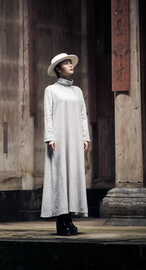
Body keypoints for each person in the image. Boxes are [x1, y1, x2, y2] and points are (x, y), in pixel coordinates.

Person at [41, 53, 90, 236]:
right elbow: (48, 115)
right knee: (60, 177)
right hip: (59, 140)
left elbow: (82, 115)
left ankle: (69, 217)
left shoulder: (77, 91)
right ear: (58, 69)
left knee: (73, 176)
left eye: (71, 63)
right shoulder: (51, 90)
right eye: (66, 63)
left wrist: (85, 137)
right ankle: (61, 220)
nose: (70, 65)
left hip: (75, 139)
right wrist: (50, 137)